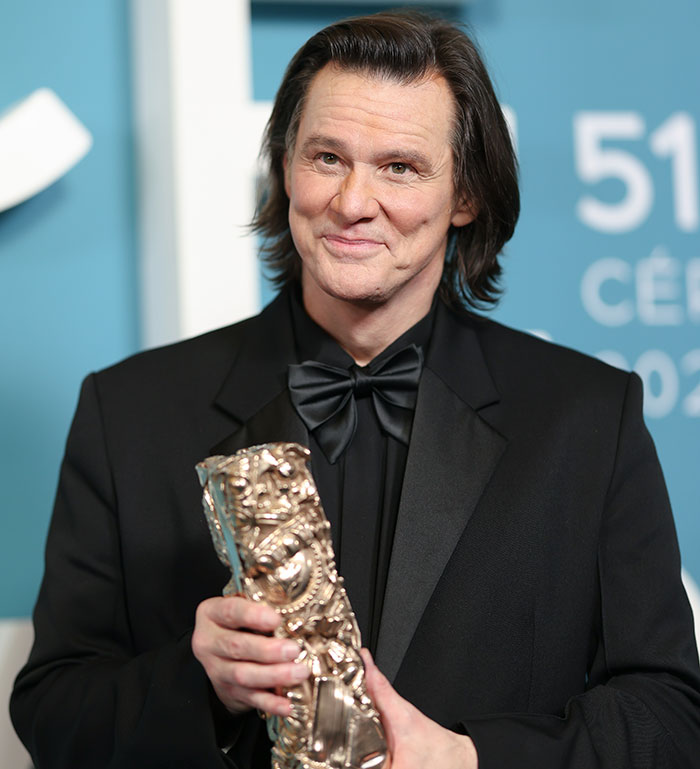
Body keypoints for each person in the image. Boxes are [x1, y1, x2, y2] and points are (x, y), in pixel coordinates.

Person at [11, 11, 700, 769]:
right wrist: (199, 678)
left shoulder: (587, 419)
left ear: (465, 195)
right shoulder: (132, 412)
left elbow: (670, 714)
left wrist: (471, 760)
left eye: (400, 167)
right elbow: (52, 712)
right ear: (284, 166)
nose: (351, 202)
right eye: (327, 157)